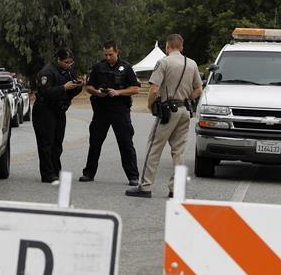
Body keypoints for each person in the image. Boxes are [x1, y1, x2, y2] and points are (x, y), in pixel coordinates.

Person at [126, 33, 202, 198]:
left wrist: (150, 104)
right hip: (184, 110)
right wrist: (187, 98)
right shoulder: (192, 64)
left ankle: (145, 186)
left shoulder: (164, 62)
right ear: (181, 47)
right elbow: (198, 89)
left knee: (154, 148)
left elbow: (154, 89)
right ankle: (176, 189)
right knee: (179, 151)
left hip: (168, 111)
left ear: (167, 47)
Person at [79, 40, 140, 185]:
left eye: (110, 54)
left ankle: (133, 176)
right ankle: (89, 173)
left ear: (117, 52)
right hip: (101, 110)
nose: (108, 57)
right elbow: (89, 87)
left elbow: (135, 89)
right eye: (105, 54)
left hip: (120, 110)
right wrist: (97, 92)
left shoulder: (126, 68)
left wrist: (118, 92)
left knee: (126, 144)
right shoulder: (98, 67)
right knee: (95, 143)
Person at [32, 47, 84, 185]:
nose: (68, 65)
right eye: (66, 62)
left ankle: (56, 171)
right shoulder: (47, 72)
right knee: (46, 143)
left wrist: (78, 86)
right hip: (44, 110)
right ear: (59, 59)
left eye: (70, 62)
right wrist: (63, 88)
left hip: (59, 110)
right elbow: (45, 92)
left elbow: (70, 93)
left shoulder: (69, 72)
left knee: (57, 143)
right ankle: (48, 174)